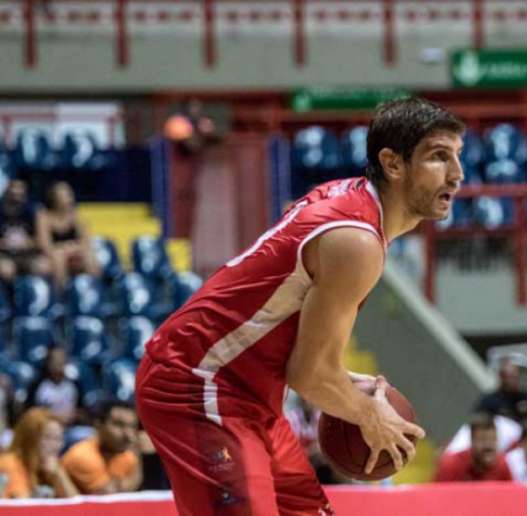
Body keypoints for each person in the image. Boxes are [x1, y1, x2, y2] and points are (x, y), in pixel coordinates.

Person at [135, 97, 462, 516]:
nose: (457, 174)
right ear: (393, 164)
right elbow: (308, 375)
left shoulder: (350, 196)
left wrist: (341, 382)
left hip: (250, 391)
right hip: (198, 382)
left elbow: (296, 346)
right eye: (439, 157)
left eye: (456, 157)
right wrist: (368, 415)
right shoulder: (356, 241)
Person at [61, 400, 142, 494]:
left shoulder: (126, 456)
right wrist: (138, 453)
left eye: (132, 426)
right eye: (119, 425)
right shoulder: (83, 456)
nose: (128, 434)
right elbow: (110, 495)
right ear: (98, 425)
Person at [0, 407, 78, 498]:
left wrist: (59, 474)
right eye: (48, 437)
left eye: (58, 439)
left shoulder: (51, 467)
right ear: (28, 439)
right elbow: (22, 506)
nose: (55, 445)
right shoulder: (10, 463)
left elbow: (76, 506)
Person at [35, 181, 99, 289]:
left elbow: (86, 243)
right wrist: (63, 251)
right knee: (57, 257)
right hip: (52, 256)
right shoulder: (44, 216)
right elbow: (45, 246)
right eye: (65, 194)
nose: (70, 196)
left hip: (73, 252)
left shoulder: (76, 215)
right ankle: (61, 295)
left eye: (70, 193)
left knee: (90, 257)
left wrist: (69, 249)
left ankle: (95, 292)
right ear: (54, 197)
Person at [434, 413, 512, 482]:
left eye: (493, 440)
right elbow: (436, 496)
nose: (488, 446)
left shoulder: (502, 466)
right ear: (472, 441)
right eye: (483, 440)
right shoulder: (451, 465)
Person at [0, 179, 50, 286]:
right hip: (4, 255)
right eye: (13, 190)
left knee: (44, 266)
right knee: (6, 270)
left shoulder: (35, 211)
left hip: (28, 255)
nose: (16, 194)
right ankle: (10, 301)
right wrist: (4, 244)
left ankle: (42, 299)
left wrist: (27, 243)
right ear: (6, 192)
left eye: (20, 190)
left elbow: (42, 241)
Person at [25, 346, 82, 426]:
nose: (58, 363)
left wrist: (75, 415)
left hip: (70, 427)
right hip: (43, 428)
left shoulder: (74, 385)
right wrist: (54, 417)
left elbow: (82, 411)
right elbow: (30, 413)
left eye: (62, 359)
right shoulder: (37, 385)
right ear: (48, 362)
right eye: (55, 360)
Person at [476, 357, 527, 423]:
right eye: (511, 377)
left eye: (517, 377)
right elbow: (479, 419)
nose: (515, 381)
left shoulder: (523, 396)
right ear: (502, 377)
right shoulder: (490, 399)